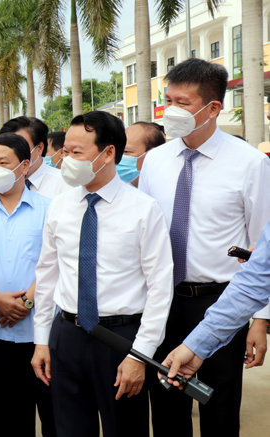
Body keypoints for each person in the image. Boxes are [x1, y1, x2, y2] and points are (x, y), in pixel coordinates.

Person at [138, 58, 270, 437]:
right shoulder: (156, 161)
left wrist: (259, 320)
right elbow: (144, 235)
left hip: (220, 301)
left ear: (213, 108)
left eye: (183, 102)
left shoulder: (249, 164)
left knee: (219, 406)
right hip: (161, 301)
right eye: (167, 101)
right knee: (165, 404)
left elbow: (262, 248)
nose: (171, 111)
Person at [31, 111, 173, 437]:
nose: (66, 159)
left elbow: (160, 287)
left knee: (124, 428)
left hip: (120, 340)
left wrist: (140, 355)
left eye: (76, 152)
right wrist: (42, 342)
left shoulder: (143, 209)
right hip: (67, 335)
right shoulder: (61, 205)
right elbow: (47, 275)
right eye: (65, 151)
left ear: (108, 153)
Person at [0, 133, 54, 436]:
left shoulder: (49, 209)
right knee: (8, 419)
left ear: (25, 166)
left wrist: (26, 302)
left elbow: (54, 263)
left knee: (52, 414)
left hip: (39, 334)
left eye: (3, 163)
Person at [162, 216, 270, 385]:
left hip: (219, 292)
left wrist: (261, 319)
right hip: (176, 300)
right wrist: (194, 346)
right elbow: (255, 279)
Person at [0, 117, 71, 200]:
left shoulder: (64, 185)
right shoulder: (0, 184)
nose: (12, 153)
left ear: (40, 148)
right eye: (8, 147)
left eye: (20, 146)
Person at [117, 122, 165, 187]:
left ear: (151, 154)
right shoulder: (113, 189)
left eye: (126, 152)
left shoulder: (169, 189)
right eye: (118, 151)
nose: (118, 157)